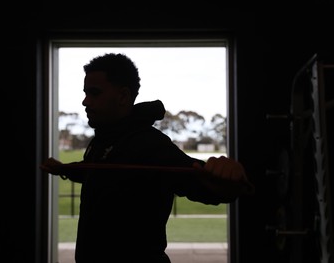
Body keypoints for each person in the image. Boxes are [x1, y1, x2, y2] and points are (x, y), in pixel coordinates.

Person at [41, 53, 254, 263]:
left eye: (94, 93)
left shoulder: (150, 144)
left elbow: (201, 183)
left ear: (123, 96)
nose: (85, 101)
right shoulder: (103, 140)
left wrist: (229, 178)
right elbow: (96, 171)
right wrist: (64, 169)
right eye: (86, 93)